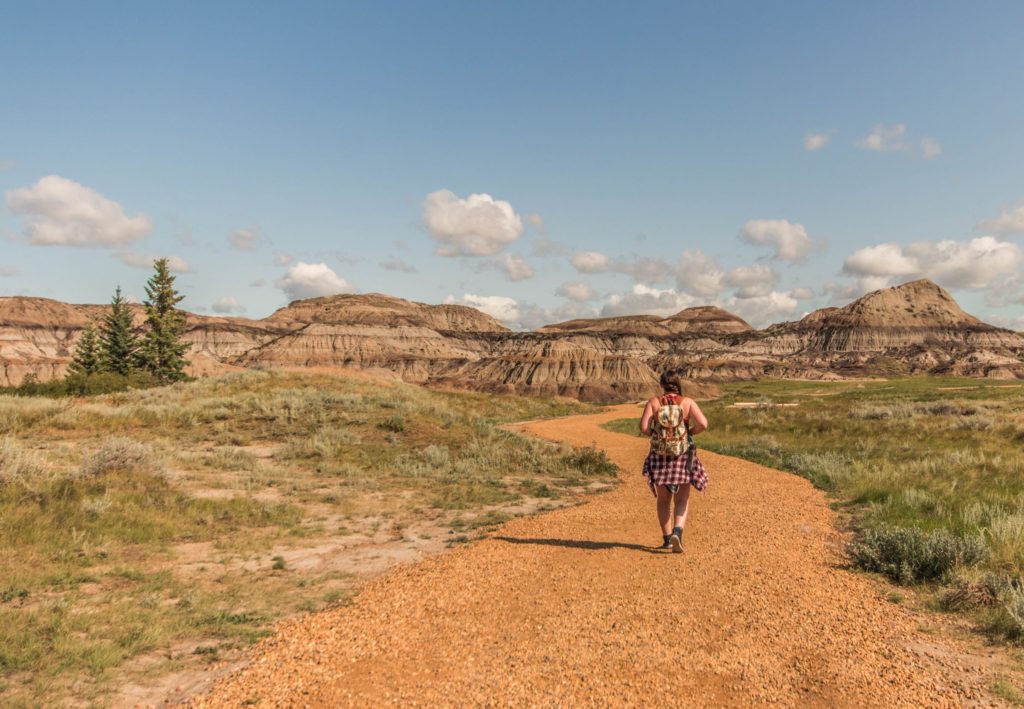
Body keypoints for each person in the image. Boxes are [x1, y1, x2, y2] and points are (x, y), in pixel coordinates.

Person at [639, 369, 709, 553]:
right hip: (682, 455)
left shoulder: (654, 402)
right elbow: (703, 423)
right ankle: (678, 531)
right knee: (682, 499)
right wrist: (689, 433)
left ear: (662, 385)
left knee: (663, 500)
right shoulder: (687, 402)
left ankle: (667, 538)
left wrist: (656, 433)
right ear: (678, 384)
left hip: (659, 456)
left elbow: (643, 427)